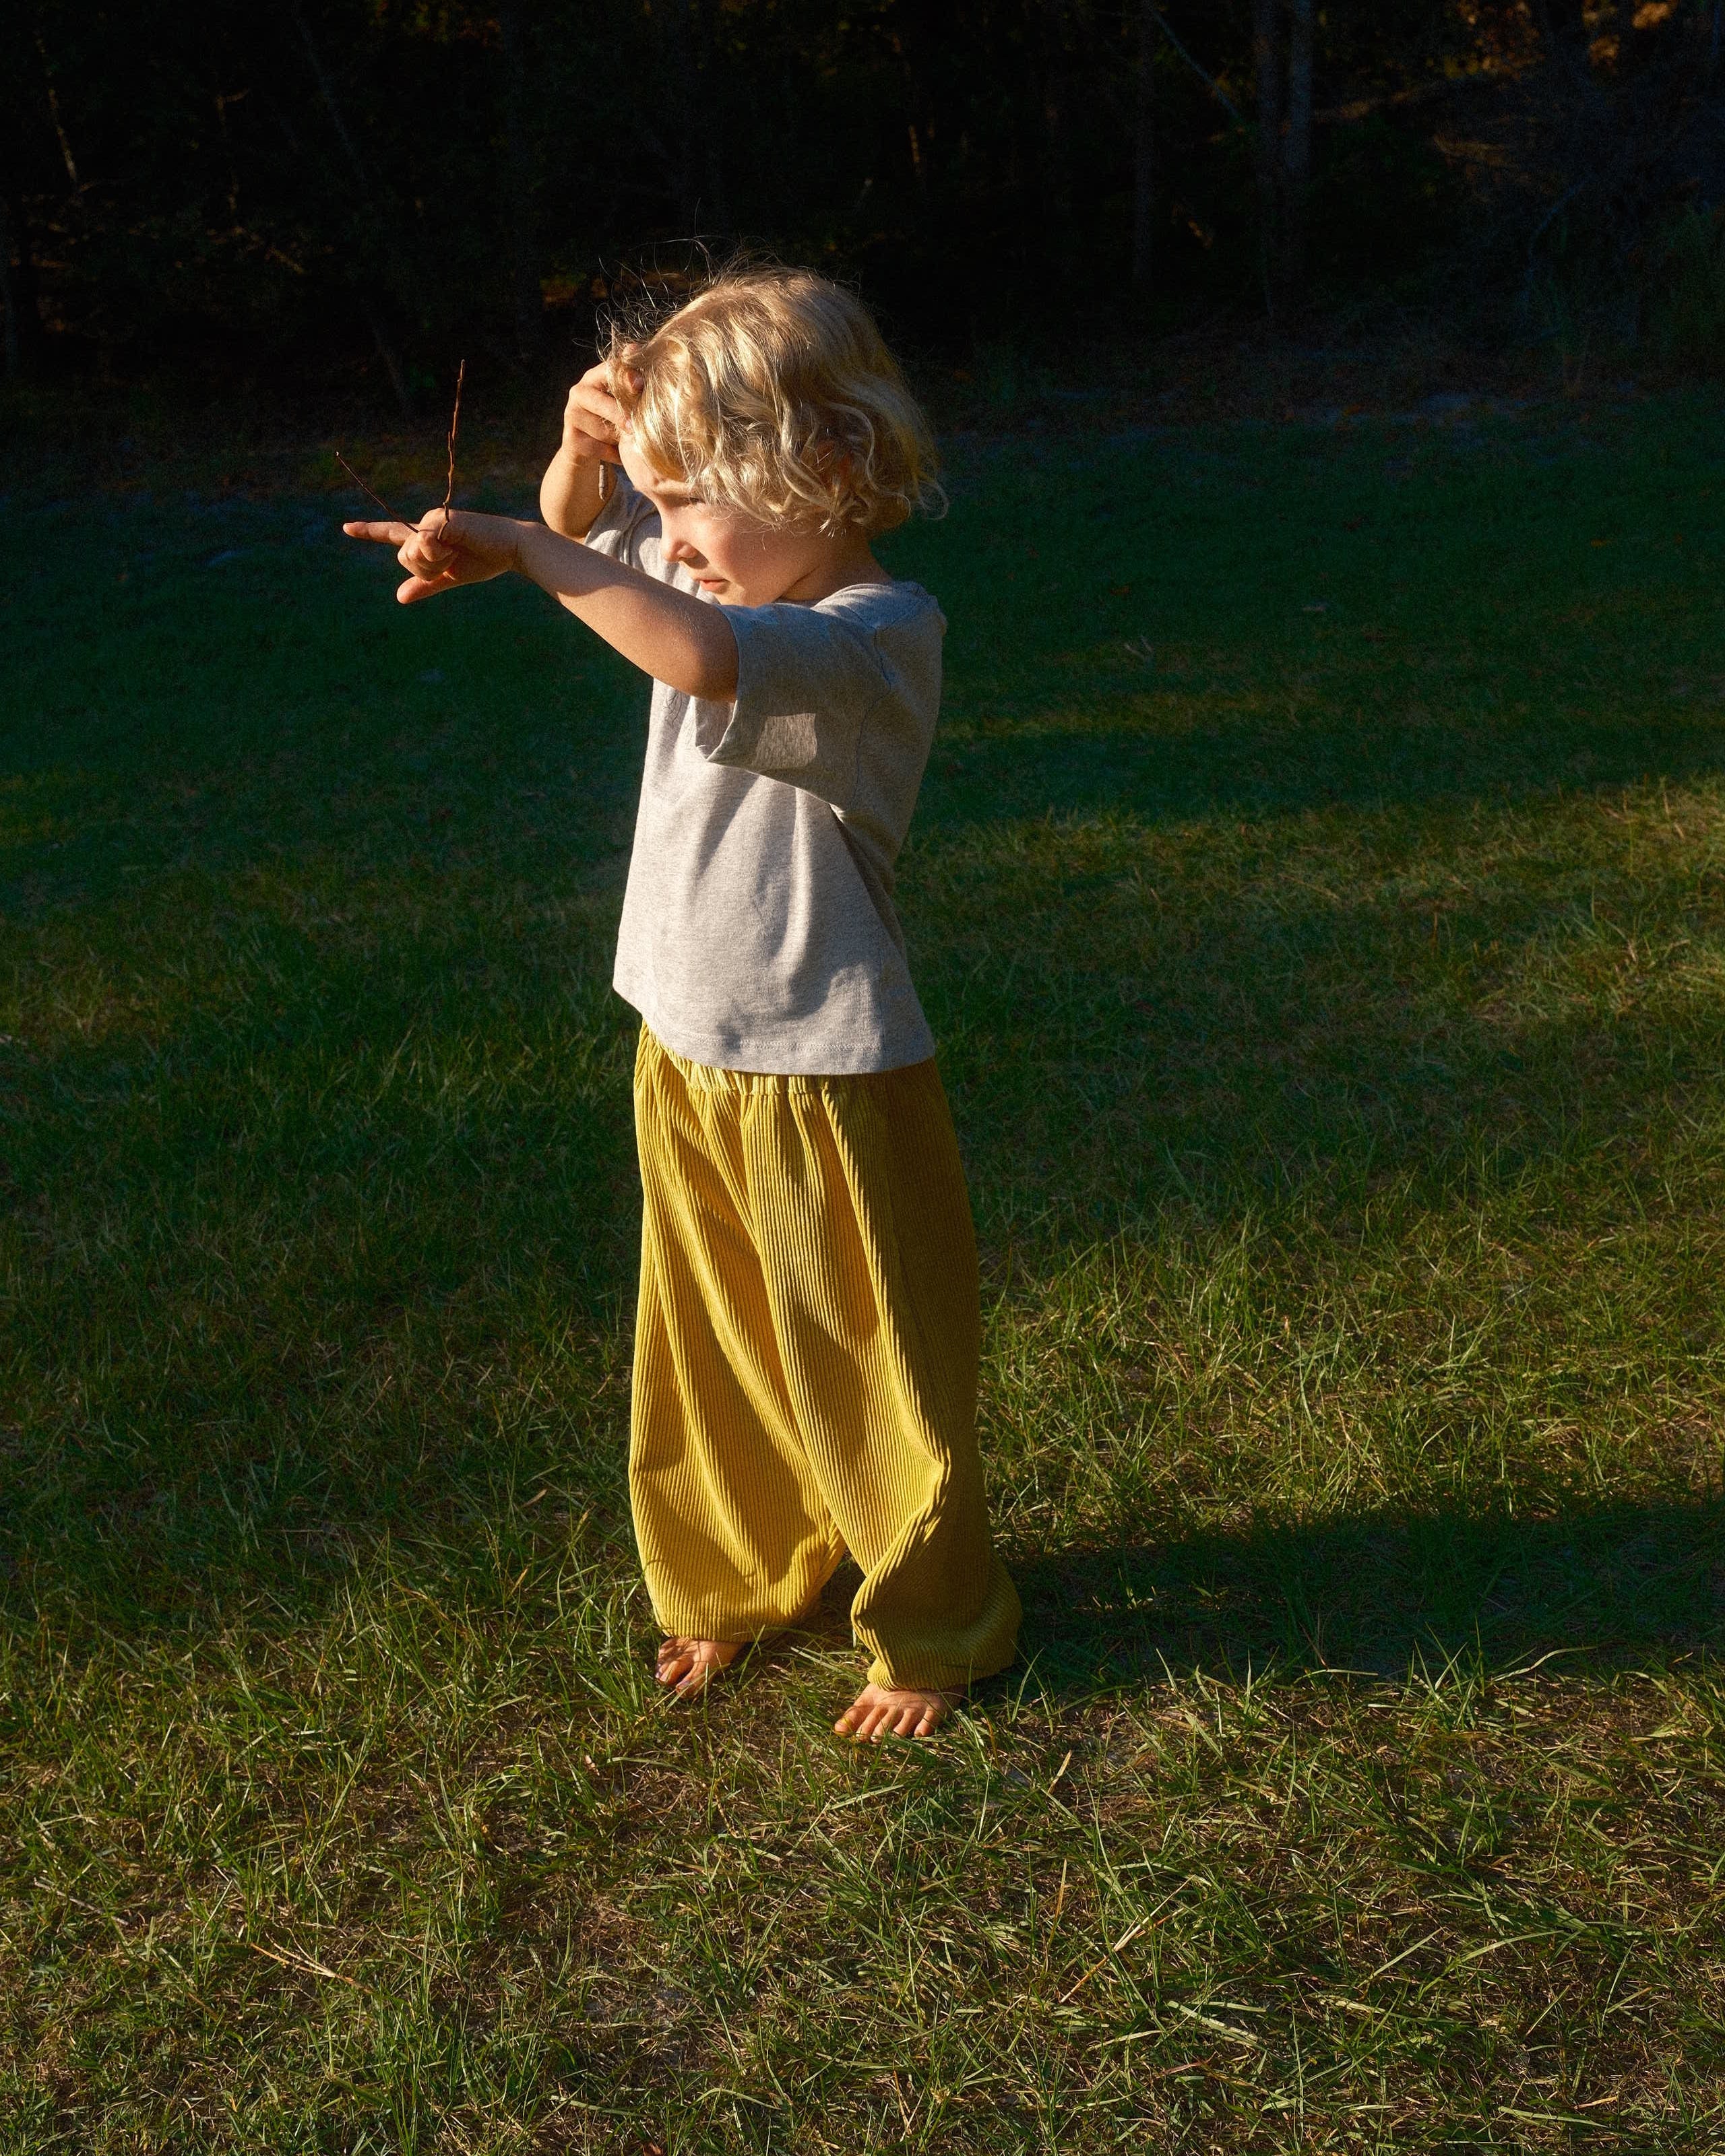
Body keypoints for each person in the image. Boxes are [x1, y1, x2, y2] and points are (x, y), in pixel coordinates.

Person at [344, 264, 1020, 1740]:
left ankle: (930, 1623)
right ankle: (731, 1578)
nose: (671, 545)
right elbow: (601, 538)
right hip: (683, 1031)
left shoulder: (869, 633)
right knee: (706, 1342)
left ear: (831, 464)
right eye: (659, 506)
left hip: (819, 1060)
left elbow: (687, 645)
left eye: (690, 505)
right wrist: (583, 469)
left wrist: (534, 546)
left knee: (864, 1353)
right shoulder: (723, 563)